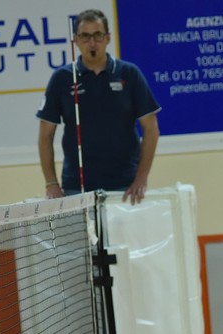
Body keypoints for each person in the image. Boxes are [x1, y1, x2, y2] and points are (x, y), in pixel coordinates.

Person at [37, 8, 160, 204]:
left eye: (98, 35)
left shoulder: (129, 74)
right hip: (76, 187)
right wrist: (51, 183)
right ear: (76, 40)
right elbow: (45, 135)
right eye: (85, 36)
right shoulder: (62, 78)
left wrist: (141, 178)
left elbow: (151, 129)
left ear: (108, 38)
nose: (92, 43)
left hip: (126, 187)